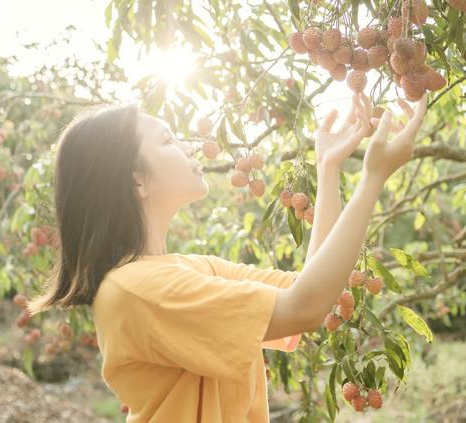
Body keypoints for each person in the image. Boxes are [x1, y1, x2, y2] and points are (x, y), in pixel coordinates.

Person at [26, 92, 428, 422]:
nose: (188, 146)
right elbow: (305, 306)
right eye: (168, 140)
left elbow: (307, 291)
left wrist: (328, 167)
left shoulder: (187, 270)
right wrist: (374, 176)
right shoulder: (141, 289)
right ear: (136, 178)